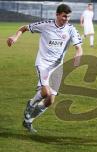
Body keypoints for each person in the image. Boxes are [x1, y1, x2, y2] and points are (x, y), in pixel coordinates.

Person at [6, 4, 83, 132]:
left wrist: (78, 58)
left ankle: (28, 121)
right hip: (43, 63)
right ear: (57, 15)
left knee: (50, 100)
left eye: (68, 17)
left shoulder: (71, 29)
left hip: (57, 67)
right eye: (64, 16)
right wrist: (15, 37)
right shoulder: (46, 25)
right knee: (46, 92)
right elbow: (24, 28)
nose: (66, 19)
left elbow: (79, 48)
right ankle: (31, 104)